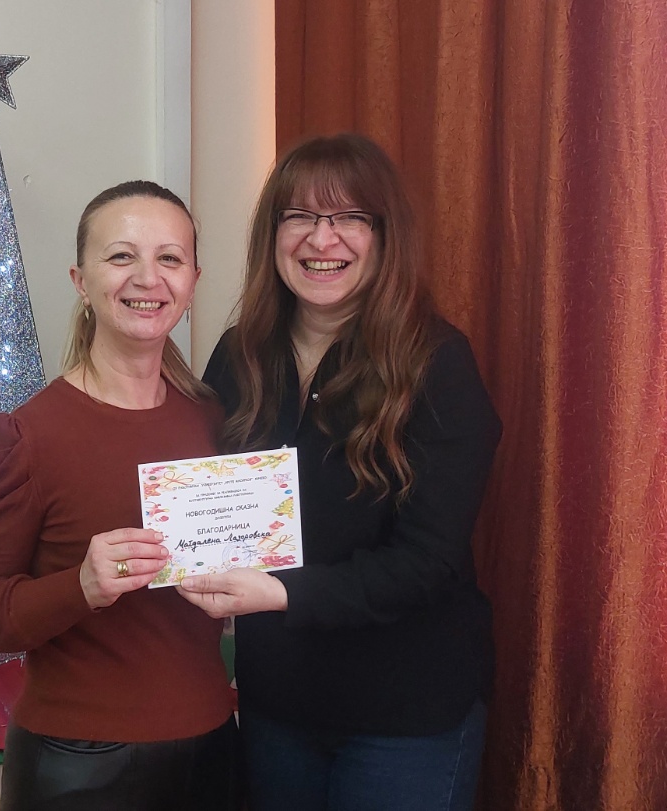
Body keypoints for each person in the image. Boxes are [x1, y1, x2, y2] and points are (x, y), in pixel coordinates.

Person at [178, 134, 502, 811]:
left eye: (350, 217)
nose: (322, 239)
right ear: (273, 234)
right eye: (299, 215)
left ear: (384, 236)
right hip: (277, 703)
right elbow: (206, 499)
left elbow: (427, 561)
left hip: (405, 714)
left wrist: (281, 594)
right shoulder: (239, 355)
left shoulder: (436, 363)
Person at [0, 180, 239, 811]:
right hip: (77, 765)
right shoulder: (22, 439)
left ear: (192, 281)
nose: (148, 278)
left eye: (169, 258)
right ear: (81, 280)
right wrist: (80, 585)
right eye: (121, 256)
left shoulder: (214, 420)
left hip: (215, 748)